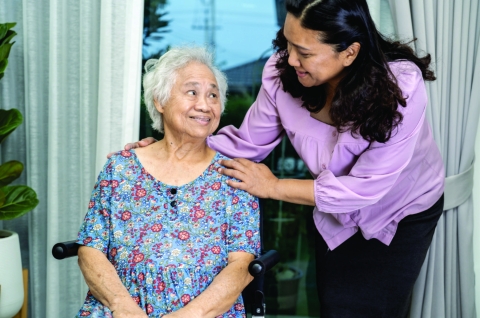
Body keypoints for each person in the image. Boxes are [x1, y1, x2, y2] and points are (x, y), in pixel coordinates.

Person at [125, 0, 445, 317]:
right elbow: (247, 143)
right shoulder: (284, 73)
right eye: (289, 43)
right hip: (332, 209)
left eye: (304, 52)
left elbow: (362, 189)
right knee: (336, 304)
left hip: (401, 209)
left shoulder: (400, 88)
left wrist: (274, 186)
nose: (291, 59)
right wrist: (172, 149)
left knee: (375, 309)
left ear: (350, 52)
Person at [76, 46, 261, 318]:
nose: (205, 105)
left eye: (213, 95)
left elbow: (242, 265)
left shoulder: (234, 175)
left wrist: (191, 314)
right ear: (160, 101)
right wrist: (123, 307)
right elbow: (90, 249)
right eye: (192, 92)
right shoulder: (120, 168)